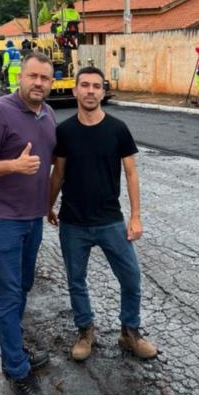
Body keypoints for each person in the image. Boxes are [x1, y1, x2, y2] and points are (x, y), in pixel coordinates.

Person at [48, 66, 157, 363]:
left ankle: (129, 332)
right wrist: (48, 204)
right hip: (73, 222)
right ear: (75, 90)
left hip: (110, 220)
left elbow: (131, 174)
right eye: (85, 85)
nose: (91, 91)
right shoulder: (65, 131)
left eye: (97, 86)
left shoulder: (117, 128)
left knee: (131, 277)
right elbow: (58, 173)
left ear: (103, 91)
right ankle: (85, 331)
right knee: (76, 280)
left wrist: (136, 217)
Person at [0, 51, 57, 395]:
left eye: (45, 78)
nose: (38, 83)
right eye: (33, 76)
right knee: (6, 294)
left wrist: (49, 205)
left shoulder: (49, 114)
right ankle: (17, 370)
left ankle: (14, 347)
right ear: (19, 77)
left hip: (31, 218)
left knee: (21, 286)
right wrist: (14, 166)